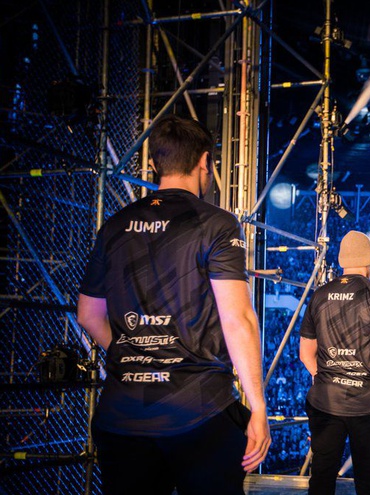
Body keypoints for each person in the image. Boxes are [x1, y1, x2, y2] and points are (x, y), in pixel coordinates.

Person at [77, 115, 270, 495]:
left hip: (122, 412)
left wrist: (133, 355)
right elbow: (238, 319)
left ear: (153, 165)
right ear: (204, 162)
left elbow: (88, 314)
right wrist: (259, 408)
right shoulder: (216, 224)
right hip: (197, 411)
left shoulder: (114, 226)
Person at [299, 231, 370, 495]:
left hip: (325, 400)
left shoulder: (319, 295)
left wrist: (324, 374)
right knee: (369, 481)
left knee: (321, 477)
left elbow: (305, 353)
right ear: (369, 261)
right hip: (369, 404)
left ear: (341, 259)